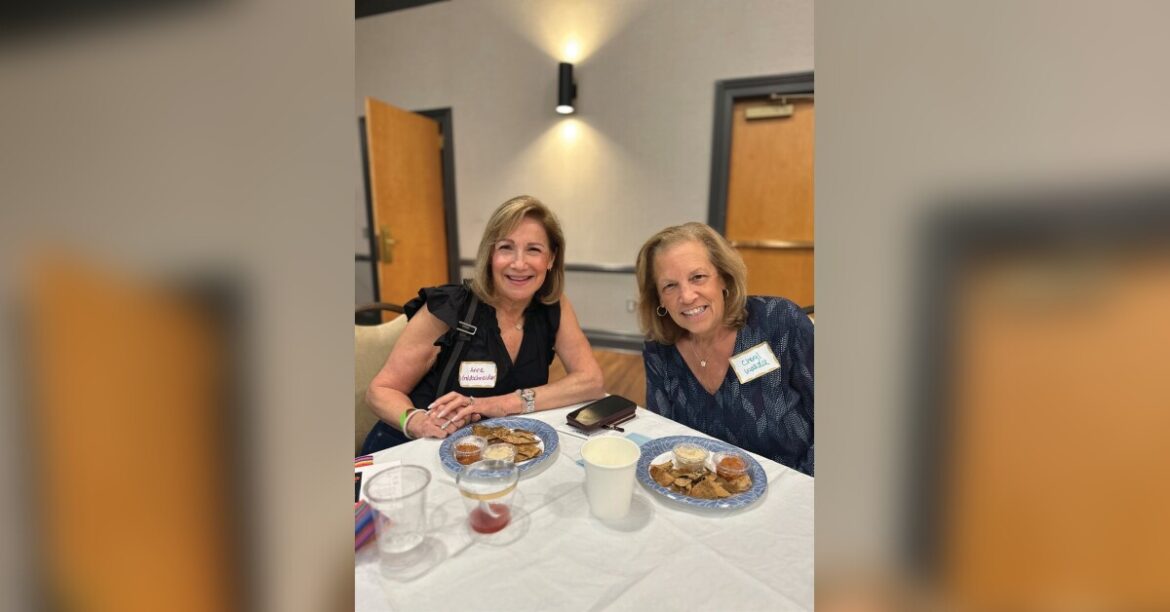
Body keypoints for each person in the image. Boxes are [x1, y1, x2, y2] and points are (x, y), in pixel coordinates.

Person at [361, 195, 605, 454]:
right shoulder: (450, 308)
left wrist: (500, 404)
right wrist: (416, 421)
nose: (519, 263)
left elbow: (591, 381)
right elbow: (380, 391)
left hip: (492, 454)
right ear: (490, 255)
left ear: (551, 259)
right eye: (506, 248)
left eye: (533, 249)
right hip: (412, 450)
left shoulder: (552, 307)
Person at [635, 222, 814, 476]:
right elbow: (666, 438)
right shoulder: (660, 349)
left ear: (723, 277)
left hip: (793, 489)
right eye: (670, 286)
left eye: (698, 277)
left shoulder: (781, 323)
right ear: (659, 299)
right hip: (707, 496)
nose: (686, 296)